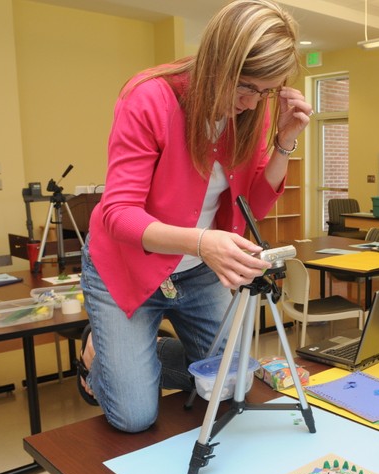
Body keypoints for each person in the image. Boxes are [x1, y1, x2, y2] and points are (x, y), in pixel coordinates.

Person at [77, 0, 312, 433]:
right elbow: (117, 214)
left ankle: (131, 353)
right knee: (134, 417)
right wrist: (203, 241)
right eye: (246, 87)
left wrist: (283, 142)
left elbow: (252, 206)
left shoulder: (251, 110)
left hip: (197, 270)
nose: (251, 101)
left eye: (266, 91)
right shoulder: (149, 97)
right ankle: (101, 352)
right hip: (127, 265)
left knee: (231, 385)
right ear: (218, 61)